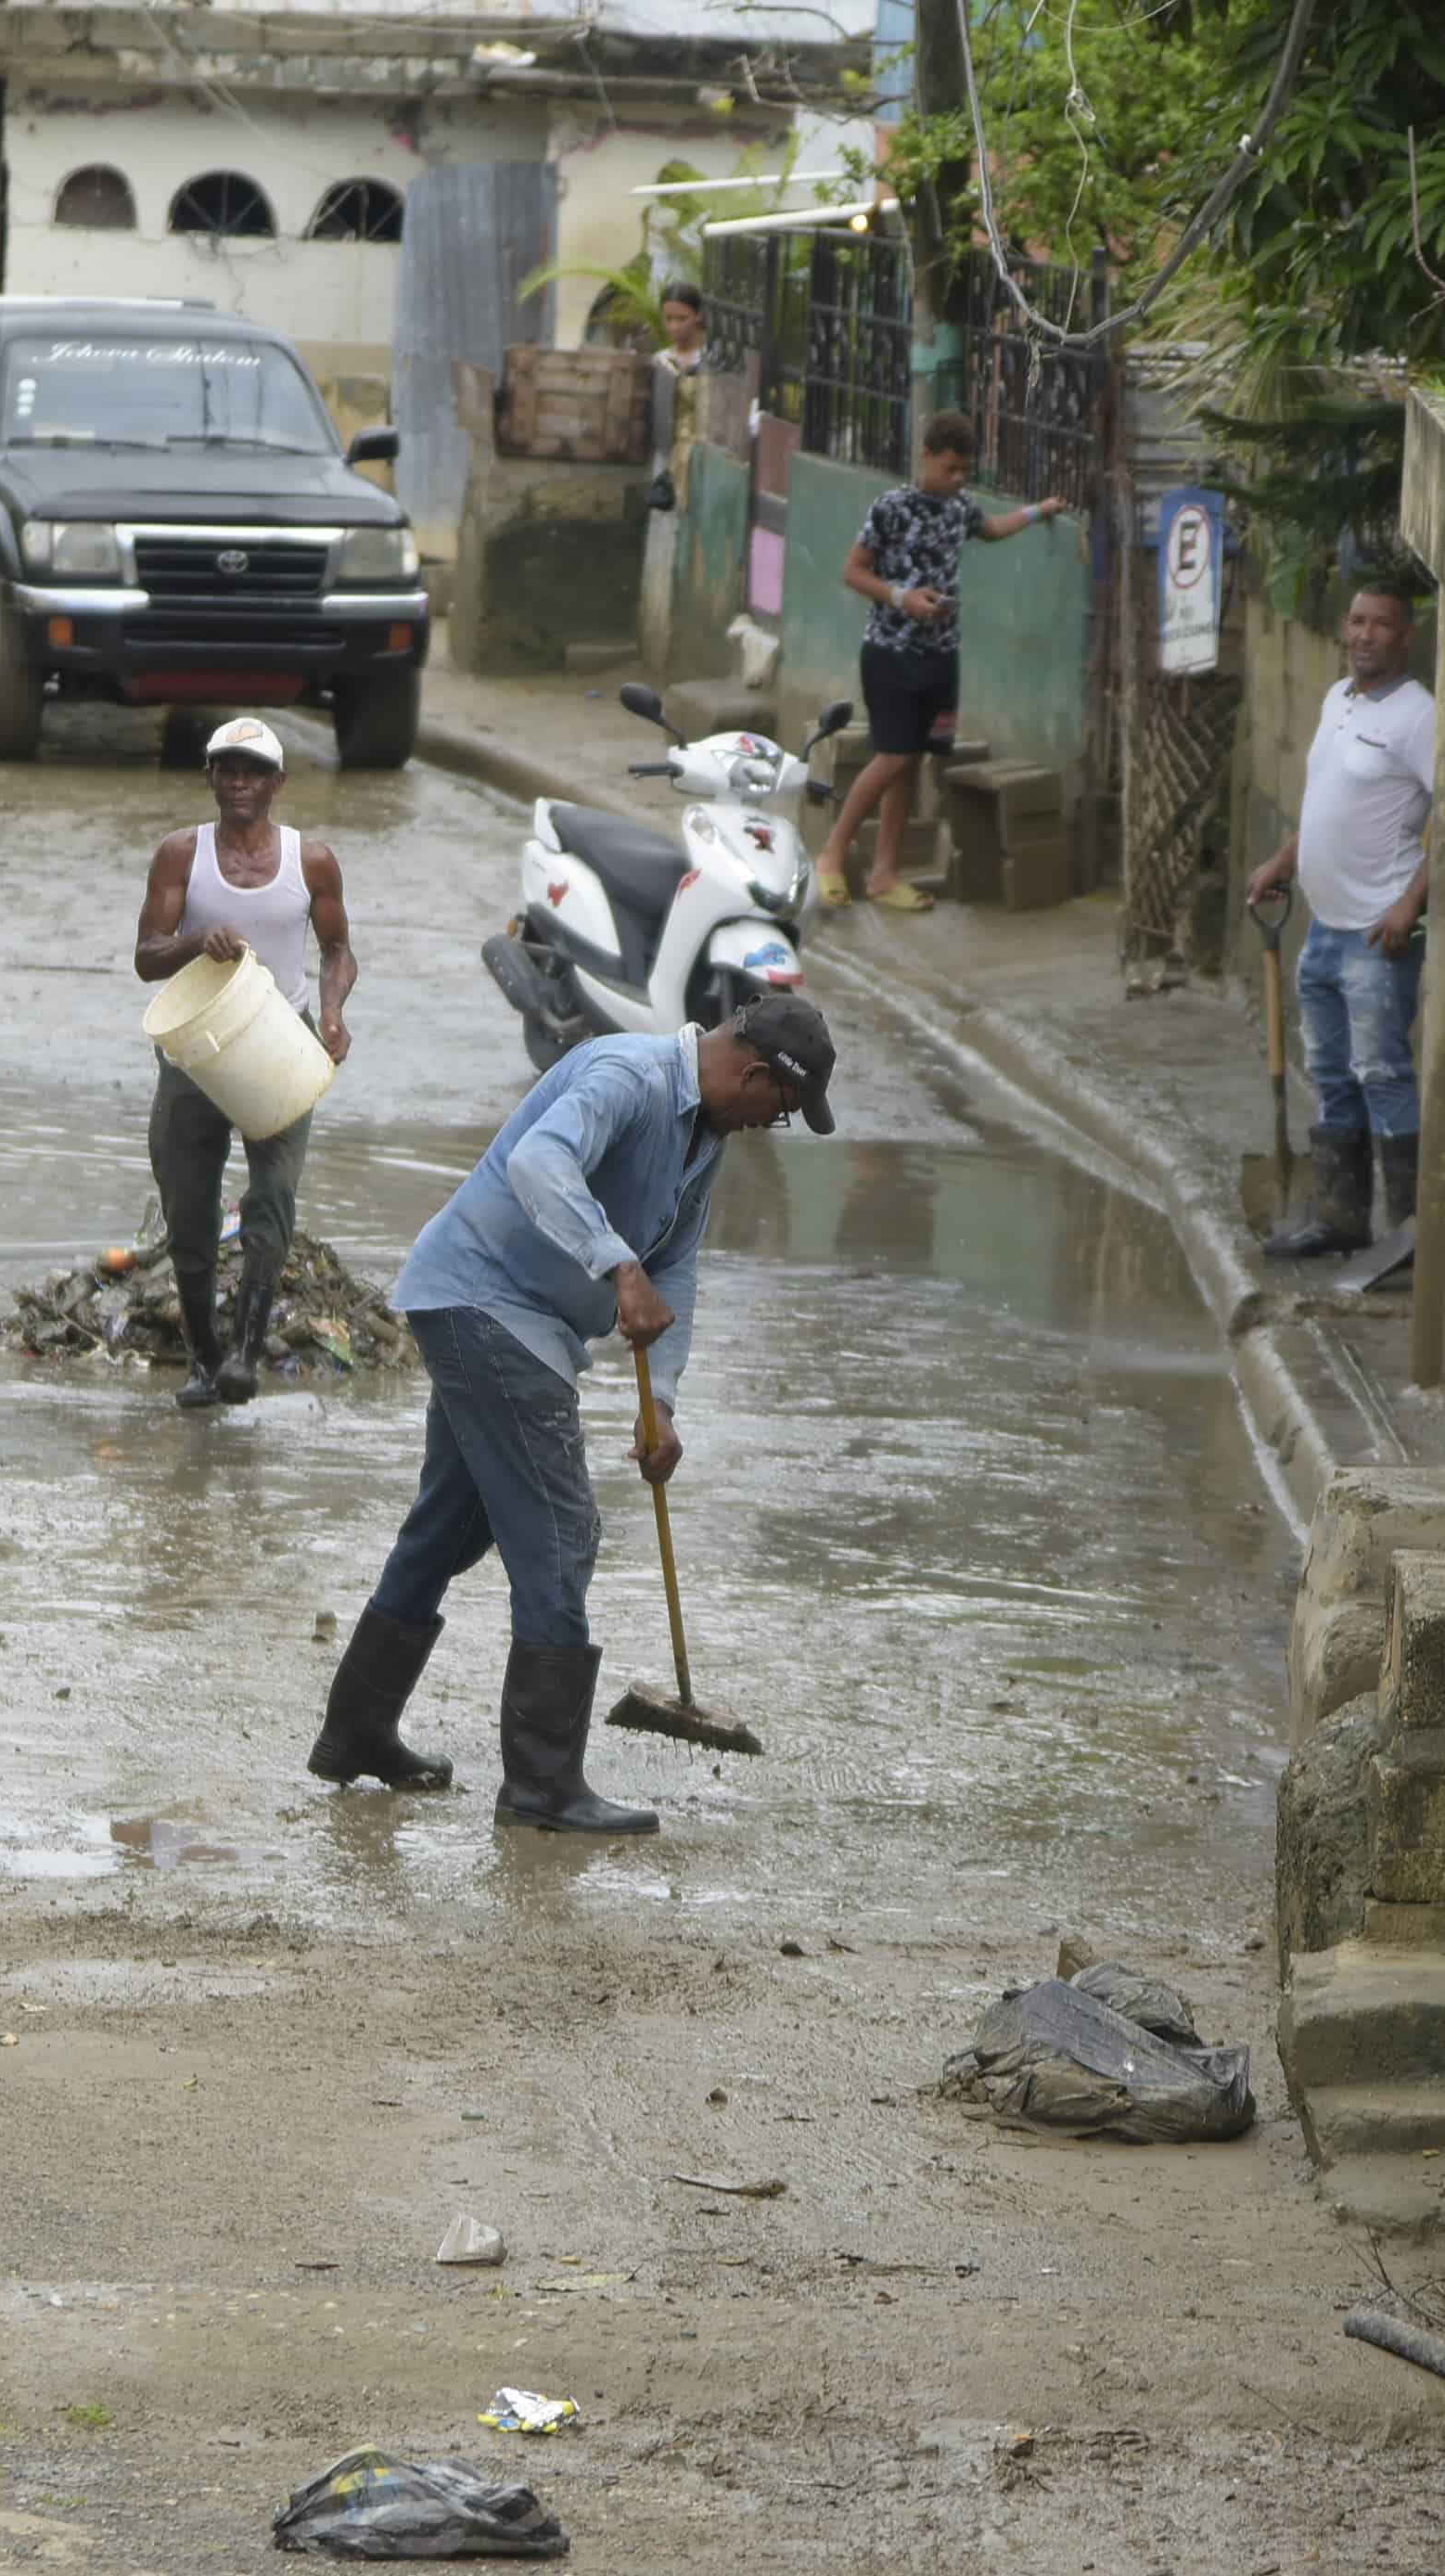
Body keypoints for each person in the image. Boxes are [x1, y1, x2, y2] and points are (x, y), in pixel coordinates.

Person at [306, 997, 838, 1837]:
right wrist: (615, 1262)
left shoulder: (703, 1138)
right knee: (560, 1529)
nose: (769, 1126)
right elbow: (539, 1161)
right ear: (755, 1073)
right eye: (777, 1109)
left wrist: (659, 1401)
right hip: (486, 1303)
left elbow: (678, 1274)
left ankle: (356, 1730)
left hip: (503, 1313)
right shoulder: (627, 1076)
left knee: (449, 1528)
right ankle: (543, 1785)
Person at [132, 717, 354, 1411]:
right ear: (209, 778)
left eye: (253, 771)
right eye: (227, 770)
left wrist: (332, 1014)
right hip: (196, 1049)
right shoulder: (180, 855)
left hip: (278, 1043)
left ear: (278, 783)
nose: (239, 783)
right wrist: (197, 942)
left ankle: (245, 1355)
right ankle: (202, 1362)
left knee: (273, 1201)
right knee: (188, 1208)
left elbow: (339, 951)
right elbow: (145, 956)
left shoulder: (309, 861)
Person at [1245, 581, 1436, 1257]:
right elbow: (1325, 807)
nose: (1363, 635)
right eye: (1356, 620)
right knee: (1329, 1069)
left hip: (1376, 933)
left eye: (1380, 625)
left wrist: (1410, 903)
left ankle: (1407, 1234)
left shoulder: (1419, 717)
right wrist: (1281, 862)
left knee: (1381, 1070)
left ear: (1405, 637)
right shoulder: (1337, 700)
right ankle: (1340, 1216)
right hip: (1323, 926)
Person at [813, 413, 1070, 912]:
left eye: (965, 472)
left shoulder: (959, 509)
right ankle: (832, 853)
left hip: (941, 655)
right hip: (890, 653)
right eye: (950, 468)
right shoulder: (891, 508)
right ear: (926, 456)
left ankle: (885, 874)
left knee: (911, 763)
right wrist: (900, 598)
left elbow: (993, 528)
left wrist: (1039, 512)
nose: (958, 480)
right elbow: (852, 571)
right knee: (890, 756)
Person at [645, 283, 710, 514]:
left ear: (698, 317)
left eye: (682, 319)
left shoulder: (712, 361)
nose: (673, 326)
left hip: (702, 457)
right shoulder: (661, 362)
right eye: (668, 319)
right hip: (668, 458)